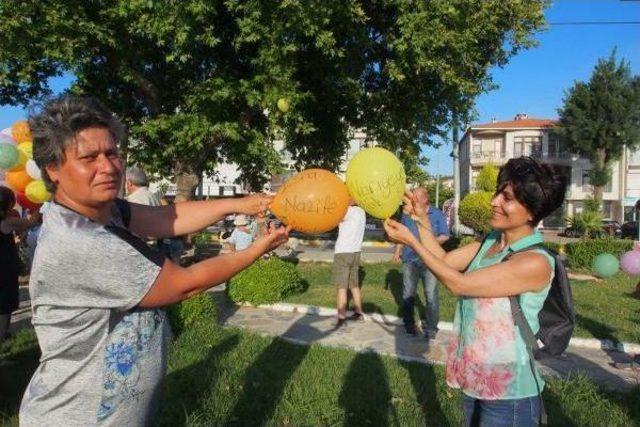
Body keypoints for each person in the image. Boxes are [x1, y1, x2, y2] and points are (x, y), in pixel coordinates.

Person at [19, 96, 290, 426]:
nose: (108, 167)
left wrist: (241, 204)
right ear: (53, 170)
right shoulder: (81, 242)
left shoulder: (99, 212)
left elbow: (166, 216)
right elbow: (185, 284)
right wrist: (257, 248)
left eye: (112, 153)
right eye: (89, 158)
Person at [383, 157, 567, 427]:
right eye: (497, 193)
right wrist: (421, 219)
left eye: (507, 198)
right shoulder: (490, 241)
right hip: (476, 376)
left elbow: (458, 283)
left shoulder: (534, 261)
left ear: (531, 211)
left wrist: (410, 240)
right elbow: (444, 262)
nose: (494, 202)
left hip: (509, 392)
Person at [392, 187, 449, 339]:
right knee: (408, 294)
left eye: (416, 196)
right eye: (412, 196)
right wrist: (398, 250)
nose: (412, 199)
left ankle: (431, 328)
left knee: (430, 295)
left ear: (425, 199)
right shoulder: (408, 213)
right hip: (410, 259)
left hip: (430, 261)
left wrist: (428, 243)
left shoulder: (436, 214)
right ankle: (409, 325)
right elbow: (402, 233)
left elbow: (445, 236)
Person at [0, 187, 40, 344]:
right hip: (4, 267)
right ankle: (2, 338)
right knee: (4, 304)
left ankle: (5, 335)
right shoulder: (7, 222)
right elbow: (31, 222)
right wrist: (39, 206)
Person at [332, 201, 366, 326]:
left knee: (341, 287)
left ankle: (341, 316)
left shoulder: (347, 211)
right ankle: (358, 312)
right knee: (354, 285)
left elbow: (333, 219)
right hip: (356, 251)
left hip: (343, 252)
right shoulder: (362, 212)